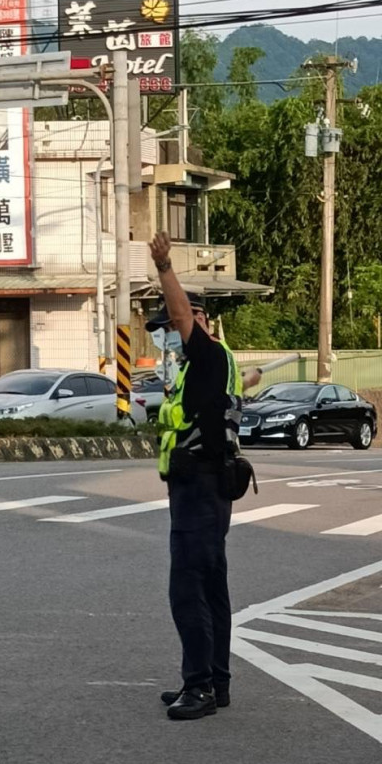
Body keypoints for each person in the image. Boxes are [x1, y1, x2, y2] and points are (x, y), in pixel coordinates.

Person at [146, 230, 259, 721]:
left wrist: (165, 267)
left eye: (171, 327)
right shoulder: (219, 364)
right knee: (212, 586)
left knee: (188, 588)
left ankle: (200, 687)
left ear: (197, 321)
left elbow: (179, 314)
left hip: (200, 489)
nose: (168, 334)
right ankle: (217, 680)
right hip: (211, 486)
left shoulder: (208, 355)